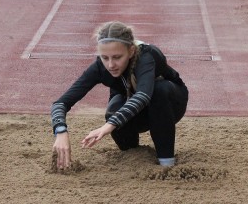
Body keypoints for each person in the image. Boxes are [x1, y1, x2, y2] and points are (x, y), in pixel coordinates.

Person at [51, 21, 188, 169]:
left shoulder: (147, 56)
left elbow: (143, 96)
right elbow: (60, 103)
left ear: (131, 51)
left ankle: (166, 163)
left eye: (117, 57)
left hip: (171, 105)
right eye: (105, 58)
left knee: (159, 91)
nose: (111, 65)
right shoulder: (99, 67)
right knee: (113, 109)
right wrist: (60, 131)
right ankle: (134, 154)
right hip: (135, 111)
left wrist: (107, 127)